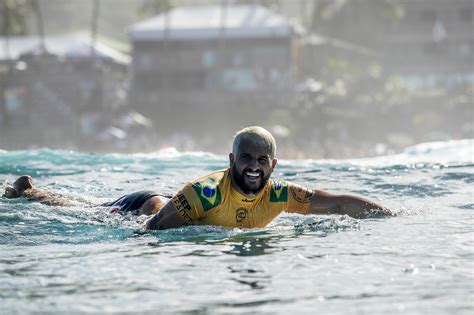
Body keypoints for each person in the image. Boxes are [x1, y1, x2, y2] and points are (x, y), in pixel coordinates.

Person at [145, 126, 393, 230]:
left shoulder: (279, 194)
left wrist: (392, 216)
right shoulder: (205, 194)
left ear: (272, 165)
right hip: (140, 204)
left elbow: (340, 203)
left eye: (262, 160)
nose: (254, 166)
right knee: (155, 205)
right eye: (246, 158)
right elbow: (151, 231)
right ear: (232, 160)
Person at [3, 175, 168, 216]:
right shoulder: (160, 204)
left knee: (85, 205)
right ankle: (25, 190)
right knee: (74, 208)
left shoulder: (181, 204)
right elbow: (153, 210)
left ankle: (29, 189)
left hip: (131, 200)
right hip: (138, 201)